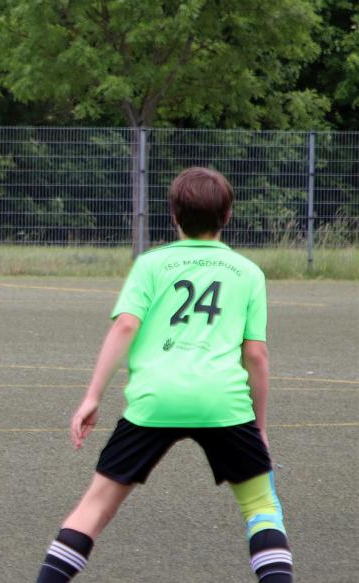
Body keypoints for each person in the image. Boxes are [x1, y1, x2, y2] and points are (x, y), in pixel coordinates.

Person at [34, 167, 292, 582]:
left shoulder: (151, 264)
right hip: (222, 402)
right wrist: (258, 425)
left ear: (173, 215)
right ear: (228, 216)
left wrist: (92, 396)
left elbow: (125, 326)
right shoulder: (247, 272)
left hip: (154, 400)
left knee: (94, 508)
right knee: (262, 508)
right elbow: (256, 355)